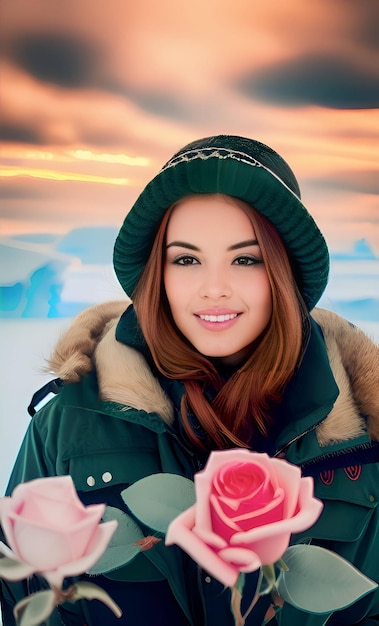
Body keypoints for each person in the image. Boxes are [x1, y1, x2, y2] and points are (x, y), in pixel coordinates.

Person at [1, 134, 379, 625]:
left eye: (245, 259)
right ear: (158, 273)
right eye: (186, 259)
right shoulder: (69, 423)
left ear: (282, 274)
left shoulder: (360, 437)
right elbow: (25, 601)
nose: (214, 287)